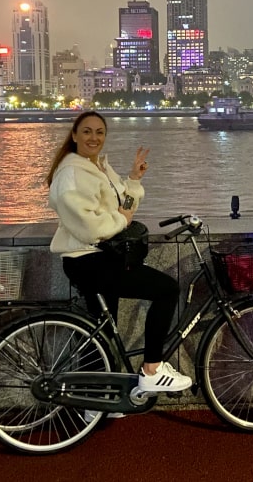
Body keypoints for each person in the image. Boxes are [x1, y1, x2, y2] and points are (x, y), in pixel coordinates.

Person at [46, 111, 191, 393]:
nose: (94, 137)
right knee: (166, 289)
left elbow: (121, 206)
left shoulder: (97, 166)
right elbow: (90, 226)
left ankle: (94, 398)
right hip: (88, 259)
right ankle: (152, 368)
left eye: (100, 132)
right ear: (74, 135)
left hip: (99, 257)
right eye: (86, 131)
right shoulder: (72, 172)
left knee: (101, 333)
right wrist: (121, 221)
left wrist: (134, 180)